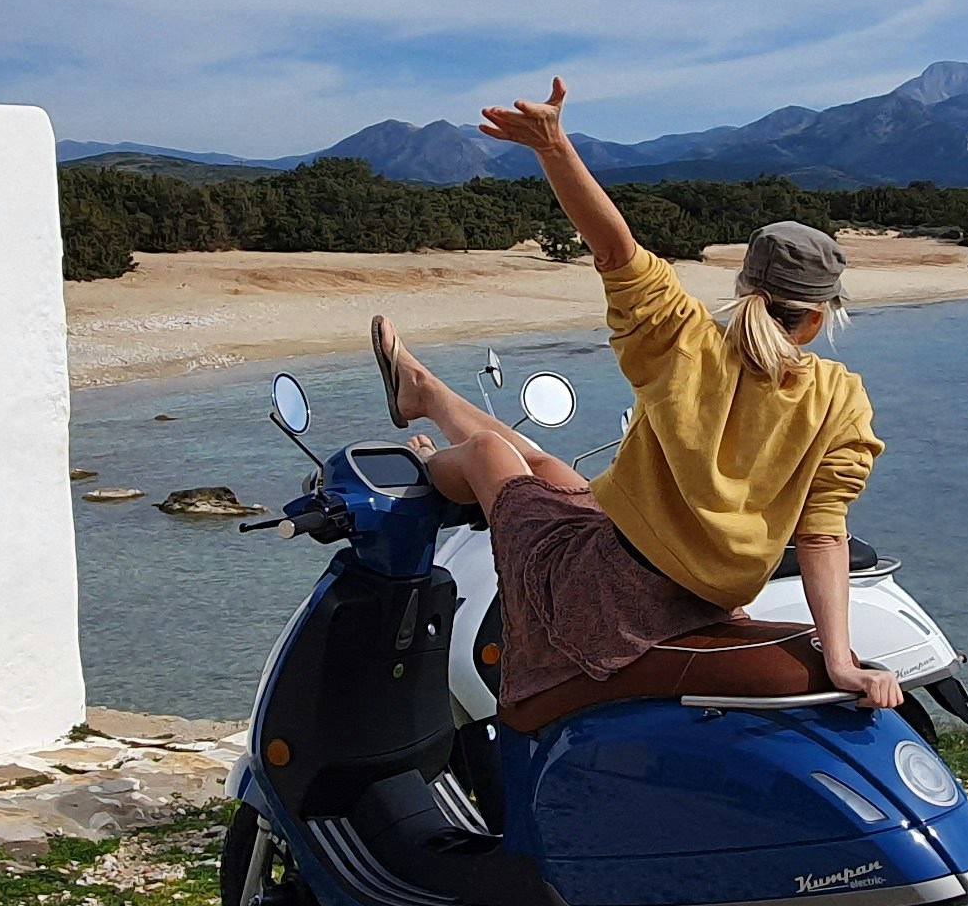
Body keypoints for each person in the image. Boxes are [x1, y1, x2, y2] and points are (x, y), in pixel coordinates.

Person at [370, 77, 897, 724]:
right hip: (696, 598)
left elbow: (615, 248)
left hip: (609, 600)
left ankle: (425, 462)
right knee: (550, 470)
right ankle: (422, 393)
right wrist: (840, 659)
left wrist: (554, 146)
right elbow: (823, 539)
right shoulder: (840, 400)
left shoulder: (682, 339)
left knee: (487, 454)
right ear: (820, 317)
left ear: (744, 286)